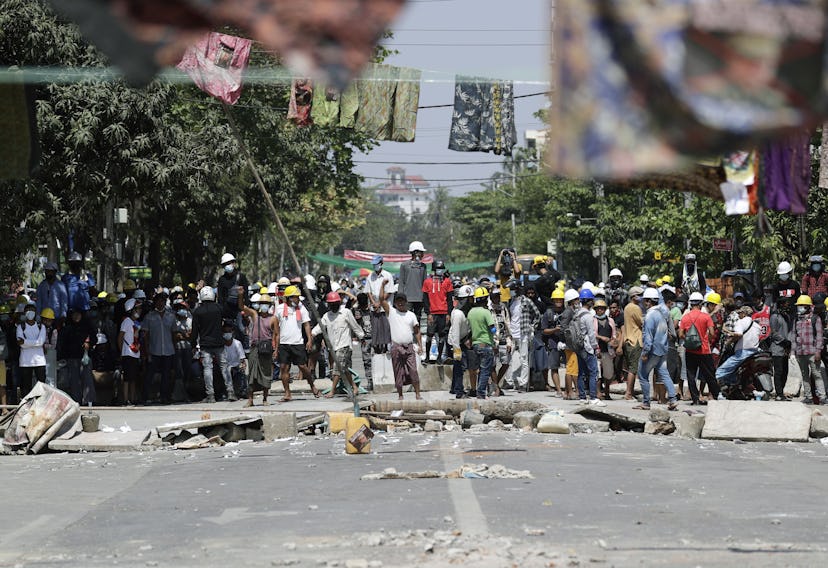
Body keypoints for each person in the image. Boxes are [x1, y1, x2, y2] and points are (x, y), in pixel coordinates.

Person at [633, 288, 679, 411]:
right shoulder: (661, 314)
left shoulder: (649, 316)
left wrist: (645, 353)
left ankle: (646, 402)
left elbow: (648, 338)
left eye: (644, 300)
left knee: (642, 375)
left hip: (652, 351)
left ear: (648, 301)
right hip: (663, 349)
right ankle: (673, 400)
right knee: (664, 374)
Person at [313, 291, 364, 399]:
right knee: (344, 369)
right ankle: (354, 387)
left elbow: (354, 325)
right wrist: (312, 334)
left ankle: (332, 391)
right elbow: (320, 326)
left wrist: (361, 336)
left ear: (339, 302)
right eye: (331, 304)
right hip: (334, 347)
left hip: (345, 345)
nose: (333, 306)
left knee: (338, 367)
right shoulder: (327, 316)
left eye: (335, 303)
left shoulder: (346, 312)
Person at [191, 286, 237, 403]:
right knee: (224, 367)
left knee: (207, 369)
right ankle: (230, 391)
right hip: (219, 343)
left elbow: (194, 330)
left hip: (205, 344)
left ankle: (210, 395)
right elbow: (229, 315)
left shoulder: (198, 311)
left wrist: (192, 345)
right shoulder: (218, 308)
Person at [274, 285, 319, 401]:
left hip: (297, 342)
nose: (298, 299)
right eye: (295, 297)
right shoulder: (279, 309)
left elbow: (306, 324)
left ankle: (312, 386)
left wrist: (309, 339)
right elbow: (275, 326)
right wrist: (275, 344)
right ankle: (287, 393)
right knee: (284, 368)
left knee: (303, 367)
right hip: (284, 343)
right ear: (289, 298)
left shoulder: (301, 308)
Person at [380, 285, 423, 401]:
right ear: (395, 303)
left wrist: (420, 345)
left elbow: (417, 331)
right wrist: (383, 286)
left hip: (409, 347)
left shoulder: (411, 315)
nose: (400, 304)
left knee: (413, 371)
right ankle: (400, 395)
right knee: (398, 372)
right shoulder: (392, 312)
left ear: (406, 302)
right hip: (396, 347)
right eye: (398, 302)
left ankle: (417, 394)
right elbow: (381, 300)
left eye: (402, 301)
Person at [679, 292, 720, 404]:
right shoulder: (706, 317)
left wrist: (689, 339)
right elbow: (712, 332)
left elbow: (680, 334)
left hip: (690, 350)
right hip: (704, 350)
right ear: (701, 303)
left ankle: (695, 399)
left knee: (691, 375)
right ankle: (716, 396)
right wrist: (707, 339)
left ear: (690, 304)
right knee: (710, 374)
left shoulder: (685, 317)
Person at [505, 279, 540, 392]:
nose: (511, 292)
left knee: (524, 359)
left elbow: (537, 314)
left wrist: (532, 327)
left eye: (512, 289)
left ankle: (523, 384)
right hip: (512, 334)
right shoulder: (511, 302)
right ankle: (509, 381)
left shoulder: (526, 301)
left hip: (523, 333)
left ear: (518, 289)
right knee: (508, 359)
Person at [142, 291, 177, 404]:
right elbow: (145, 335)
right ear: (155, 302)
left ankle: (164, 397)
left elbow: (174, 333)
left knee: (166, 375)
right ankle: (145, 397)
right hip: (154, 350)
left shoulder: (171, 316)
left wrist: (175, 348)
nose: (161, 303)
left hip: (168, 350)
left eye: (163, 301)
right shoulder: (149, 317)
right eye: (159, 301)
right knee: (150, 375)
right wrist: (147, 351)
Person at [715, 305, 761, 388]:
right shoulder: (756, 325)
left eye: (740, 313)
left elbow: (739, 334)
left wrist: (730, 341)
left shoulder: (741, 322)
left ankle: (713, 386)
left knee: (722, 370)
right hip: (755, 352)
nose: (739, 315)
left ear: (744, 314)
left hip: (743, 352)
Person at [572, 288, 604, 406]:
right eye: (592, 300)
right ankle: (593, 397)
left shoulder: (577, 313)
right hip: (587, 346)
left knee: (581, 372)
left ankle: (582, 397)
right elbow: (591, 334)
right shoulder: (588, 316)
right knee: (593, 372)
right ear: (589, 301)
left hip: (578, 346)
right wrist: (596, 348)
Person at [792, 295, 826, 404]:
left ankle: (822, 397)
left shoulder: (815, 318)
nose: (800, 308)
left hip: (812, 352)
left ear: (807, 307)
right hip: (800, 352)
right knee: (804, 375)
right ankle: (808, 397)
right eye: (799, 306)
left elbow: (819, 336)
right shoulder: (796, 319)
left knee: (817, 375)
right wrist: (793, 352)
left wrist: (818, 351)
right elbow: (793, 336)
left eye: (802, 306)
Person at [56, 308, 93, 403]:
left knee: (87, 380)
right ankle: (76, 402)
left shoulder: (87, 327)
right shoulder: (67, 328)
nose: (76, 317)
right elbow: (62, 344)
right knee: (74, 382)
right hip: (72, 358)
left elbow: (94, 338)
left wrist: (89, 344)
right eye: (74, 315)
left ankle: (89, 402)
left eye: (78, 314)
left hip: (85, 357)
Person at [421, 260, 454, 364]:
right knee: (429, 335)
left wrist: (449, 313)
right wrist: (428, 313)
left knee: (442, 335)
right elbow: (425, 299)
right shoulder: (427, 282)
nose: (440, 271)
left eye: (441, 269)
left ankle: (439, 357)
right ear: (434, 270)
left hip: (443, 312)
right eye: (438, 269)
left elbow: (449, 299)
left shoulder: (447, 281)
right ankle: (427, 357)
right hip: (432, 312)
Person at [467, 287, 496, 399]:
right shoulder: (486, 312)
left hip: (475, 345)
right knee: (485, 370)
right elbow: (492, 329)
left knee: (479, 369)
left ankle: (480, 390)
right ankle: (481, 393)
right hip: (486, 344)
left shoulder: (471, 312)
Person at [16, 303, 47, 398]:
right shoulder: (20, 327)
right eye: (28, 310)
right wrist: (35, 343)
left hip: (40, 360)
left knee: (41, 385)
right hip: (25, 361)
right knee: (26, 386)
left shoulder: (41, 326)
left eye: (32, 310)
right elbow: (20, 344)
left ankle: (41, 405)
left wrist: (25, 341)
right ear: (25, 313)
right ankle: (26, 406)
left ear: (35, 313)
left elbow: (41, 342)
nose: (30, 313)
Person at [448, 285, 474, 398]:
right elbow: (455, 334)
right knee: (459, 366)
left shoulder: (466, 311)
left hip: (463, 339)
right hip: (455, 342)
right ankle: (459, 391)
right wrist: (457, 350)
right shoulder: (458, 314)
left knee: (457, 366)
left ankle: (454, 388)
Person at [619, 286, 645, 400]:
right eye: (639, 295)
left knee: (630, 367)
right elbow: (642, 322)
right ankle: (629, 393)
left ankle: (630, 391)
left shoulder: (627, 307)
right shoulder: (635, 308)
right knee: (633, 369)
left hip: (629, 339)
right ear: (633, 296)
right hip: (635, 340)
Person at [366, 255, 393, 355]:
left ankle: (386, 349)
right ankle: (376, 350)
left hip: (384, 308)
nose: (375, 266)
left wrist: (379, 303)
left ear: (381, 263)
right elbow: (368, 291)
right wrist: (374, 303)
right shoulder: (370, 276)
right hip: (374, 308)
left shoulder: (387, 275)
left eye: (376, 264)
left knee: (385, 330)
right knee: (376, 330)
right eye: (374, 265)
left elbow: (389, 292)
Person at [769, 296, 794, 401]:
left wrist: (788, 343)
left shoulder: (786, 316)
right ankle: (779, 394)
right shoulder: (774, 317)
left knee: (785, 371)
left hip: (785, 349)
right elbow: (773, 332)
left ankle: (782, 392)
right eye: (785, 303)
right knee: (778, 371)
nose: (787, 305)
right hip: (777, 348)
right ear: (781, 304)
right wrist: (783, 340)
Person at [489, 286, 513, 396]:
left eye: (498, 297)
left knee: (506, 363)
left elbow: (508, 324)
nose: (497, 299)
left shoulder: (503, 308)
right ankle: (496, 388)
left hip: (504, 339)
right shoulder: (488, 309)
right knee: (492, 365)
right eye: (494, 297)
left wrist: (509, 341)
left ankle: (496, 385)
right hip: (494, 341)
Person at [593, 298, 617, 400]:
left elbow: (614, 334)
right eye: (598, 309)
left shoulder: (610, 320)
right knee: (597, 373)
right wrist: (601, 337)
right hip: (597, 349)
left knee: (608, 373)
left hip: (608, 350)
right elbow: (592, 334)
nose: (600, 311)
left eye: (602, 309)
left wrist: (613, 341)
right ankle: (598, 392)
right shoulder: (593, 320)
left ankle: (607, 392)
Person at [398, 240, 428, 319]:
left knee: (417, 318)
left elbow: (425, 283)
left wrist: (425, 297)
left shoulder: (423, 266)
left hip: (419, 298)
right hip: (407, 298)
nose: (423, 254)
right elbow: (401, 282)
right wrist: (400, 297)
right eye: (421, 252)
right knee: (407, 318)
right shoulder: (404, 265)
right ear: (416, 253)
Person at [222, 320, 249, 404]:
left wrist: (242, 365)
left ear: (232, 332)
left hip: (236, 366)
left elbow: (242, 359)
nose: (227, 334)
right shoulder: (221, 345)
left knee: (241, 371)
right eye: (225, 332)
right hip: (226, 367)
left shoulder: (237, 343)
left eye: (229, 331)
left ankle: (243, 391)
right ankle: (227, 392)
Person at [352, 293, 373, 390]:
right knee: (367, 361)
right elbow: (355, 324)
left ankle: (375, 379)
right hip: (364, 339)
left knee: (376, 359)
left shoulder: (372, 310)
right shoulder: (357, 311)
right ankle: (370, 380)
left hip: (374, 337)